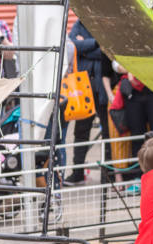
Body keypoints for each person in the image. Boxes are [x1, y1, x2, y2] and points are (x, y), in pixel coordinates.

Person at [63, 19, 111, 186]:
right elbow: (72, 45)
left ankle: (108, 174)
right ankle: (77, 173)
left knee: (108, 132)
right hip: (83, 91)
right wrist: (97, 43)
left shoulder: (105, 22)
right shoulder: (80, 23)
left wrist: (86, 48)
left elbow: (107, 51)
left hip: (102, 90)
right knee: (81, 132)